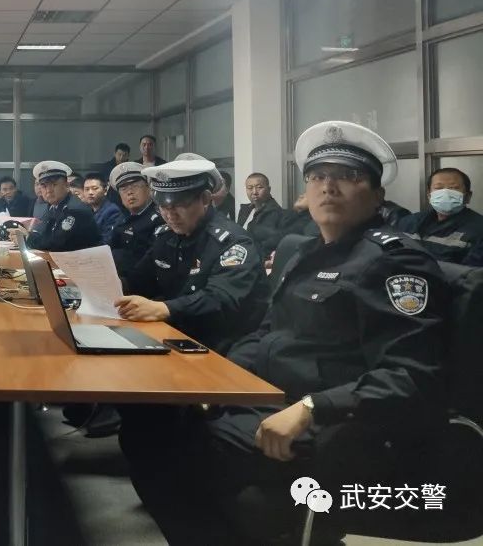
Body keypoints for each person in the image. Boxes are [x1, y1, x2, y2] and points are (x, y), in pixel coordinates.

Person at [119, 121, 453, 546]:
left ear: (377, 195)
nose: (328, 187)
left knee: (170, 454)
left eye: (348, 176)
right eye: (317, 176)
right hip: (268, 397)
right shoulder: (304, 251)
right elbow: (268, 330)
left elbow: (412, 376)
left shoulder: (397, 263)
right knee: (148, 422)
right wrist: (220, 382)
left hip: (330, 420)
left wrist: (312, 407)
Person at [113, 158, 268, 354]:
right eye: (163, 206)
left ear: (205, 199)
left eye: (179, 205)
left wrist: (163, 309)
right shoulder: (166, 236)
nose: (170, 215)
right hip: (175, 336)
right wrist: (110, 286)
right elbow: (140, 279)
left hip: (223, 344)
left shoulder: (233, 242)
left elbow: (219, 299)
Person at [397, 167, 483, 264]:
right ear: (429, 196)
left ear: (468, 196)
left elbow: (471, 272)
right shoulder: (409, 222)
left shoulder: (479, 229)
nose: (445, 193)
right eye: (438, 188)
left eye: (454, 188)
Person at [9, 161, 101, 252]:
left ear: (67, 186)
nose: (49, 190)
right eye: (44, 186)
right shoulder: (53, 207)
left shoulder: (74, 209)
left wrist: (28, 238)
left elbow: (56, 244)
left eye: (54, 184)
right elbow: (43, 234)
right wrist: (26, 234)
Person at [107, 162, 165, 278]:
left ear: (149, 188)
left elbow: (151, 262)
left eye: (135, 186)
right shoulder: (122, 218)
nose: (129, 192)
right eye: (123, 189)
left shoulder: (160, 218)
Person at [236, 172, 285, 259]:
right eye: (250, 188)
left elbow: (270, 247)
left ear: (269, 189)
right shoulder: (244, 210)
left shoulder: (276, 213)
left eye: (259, 187)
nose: (254, 192)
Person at [83, 173, 122, 244]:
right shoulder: (86, 211)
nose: (90, 192)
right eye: (87, 189)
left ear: (105, 190)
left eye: (95, 188)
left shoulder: (112, 211)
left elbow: (107, 241)